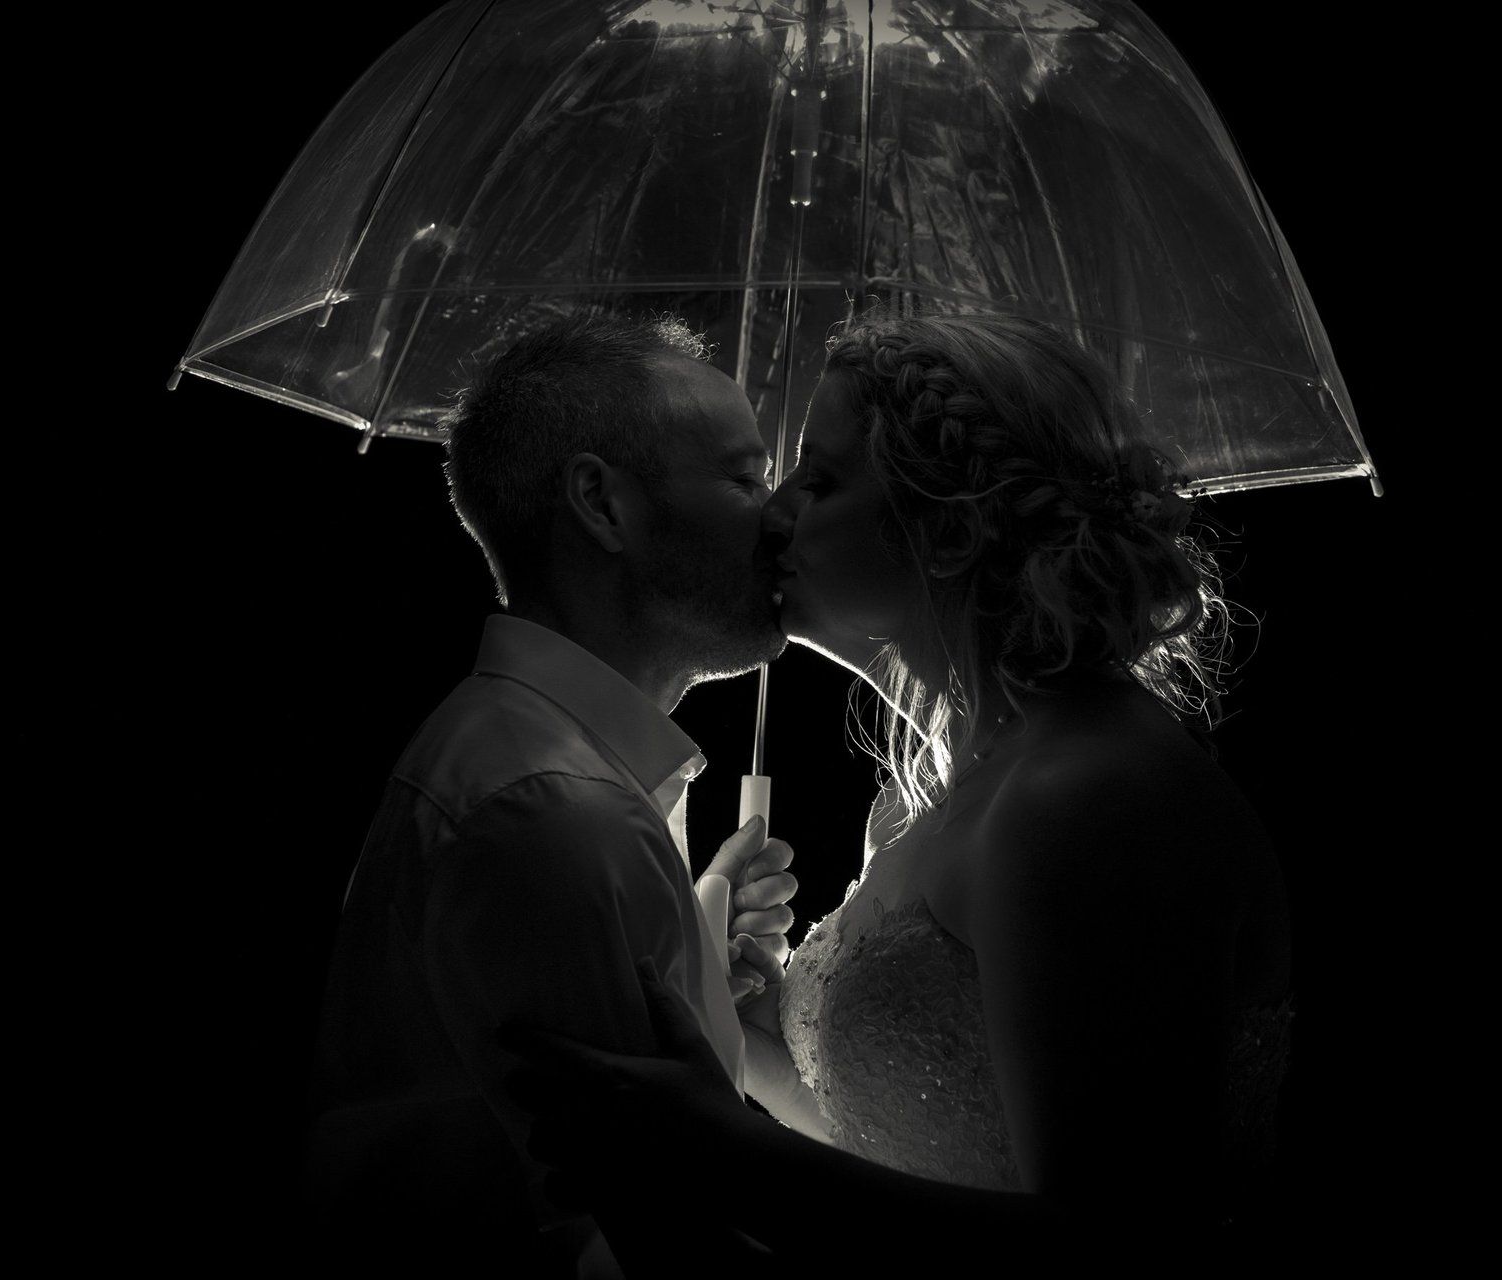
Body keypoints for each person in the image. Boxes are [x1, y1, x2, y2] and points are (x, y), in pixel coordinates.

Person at [501, 312, 1295, 1269]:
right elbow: (938, 1153)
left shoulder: (1091, 795)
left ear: (950, 530)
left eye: (821, 480)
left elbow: (1121, 1249)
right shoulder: (969, 783)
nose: (775, 512)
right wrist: (757, 1046)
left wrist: (722, 1153)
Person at [305, 314, 799, 1276]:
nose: (780, 518)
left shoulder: (543, 768)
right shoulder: (554, 813)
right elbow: (652, 1246)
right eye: (745, 479)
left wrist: (691, 952)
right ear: (602, 504)